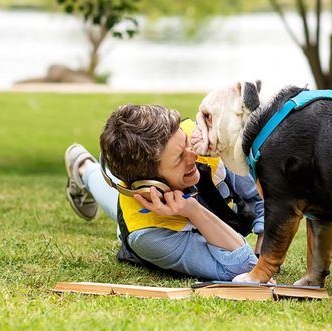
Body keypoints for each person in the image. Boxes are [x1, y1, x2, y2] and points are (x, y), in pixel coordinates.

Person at [65, 104, 264, 281]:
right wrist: (194, 211)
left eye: (185, 140)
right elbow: (244, 267)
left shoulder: (201, 140)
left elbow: (261, 194)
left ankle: (81, 164)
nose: (194, 154)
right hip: (146, 215)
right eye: (179, 158)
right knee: (117, 205)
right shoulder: (148, 235)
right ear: (153, 184)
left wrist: (266, 239)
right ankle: (83, 167)